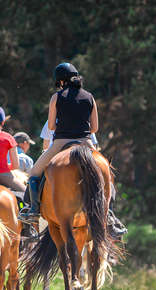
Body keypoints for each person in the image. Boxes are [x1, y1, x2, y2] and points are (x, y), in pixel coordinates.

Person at [19, 63, 126, 239]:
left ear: (61, 81)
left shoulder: (56, 97)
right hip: (86, 143)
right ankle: (110, 216)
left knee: (34, 173)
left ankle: (32, 211)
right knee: (108, 178)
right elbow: (95, 128)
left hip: (61, 142)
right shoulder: (90, 97)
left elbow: (52, 125)